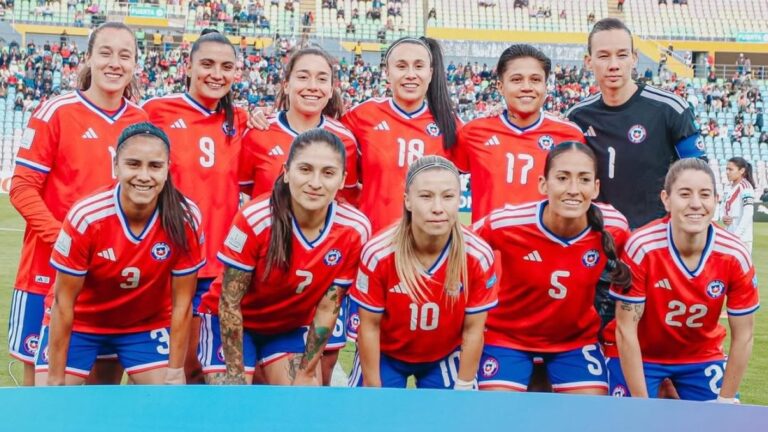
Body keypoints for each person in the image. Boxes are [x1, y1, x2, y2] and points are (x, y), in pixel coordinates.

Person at [8, 22, 147, 386]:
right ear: (88, 59)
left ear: (135, 64)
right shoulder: (57, 111)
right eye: (105, 52)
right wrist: (67, 244)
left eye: (125, 55)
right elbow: (22, 187)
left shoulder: (141, 121)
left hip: (112, 281)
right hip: (47, 273)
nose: (115, 63)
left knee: (101, 397)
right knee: (42, 398)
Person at [35, 123, 204, 386]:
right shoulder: (87, 217)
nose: (144, 176)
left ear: (168, 168)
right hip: (82, 322)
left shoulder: (186, 218)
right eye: (133, 164)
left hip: (143, 324)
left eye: (155, 166)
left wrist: (174, 371)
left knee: (167, 400)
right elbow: (63, 303)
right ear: (116, 166)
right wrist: (55, 381)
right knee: (53, 407)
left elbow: (182, 304)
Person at [197, 129, 371, 385]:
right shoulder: (256, 219)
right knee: (232, 405)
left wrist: (306, 372)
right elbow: (229, 303)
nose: (315, 182)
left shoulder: (354, 229)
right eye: (305, 169)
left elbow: (326, 308)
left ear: (343, 179)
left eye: (328, 173)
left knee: (301, 401)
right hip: (232, 321)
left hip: (289, 325)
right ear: (286, 172)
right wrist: (236, 381)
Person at [565, 18, 703, 327]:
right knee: (595, 350)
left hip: (656, 252)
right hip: (597, 253)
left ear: (634, 57)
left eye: (621, 54)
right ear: (589, 61)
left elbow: (699, 177)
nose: (613, 64)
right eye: (603, 56)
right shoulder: (576, 117)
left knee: (658, 355)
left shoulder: (669, 109)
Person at [239, 47, 361, 384]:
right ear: (286, 84)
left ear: (333, 87)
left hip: (320, 277)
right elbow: (245, 196)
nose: (312, 85)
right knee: (259, 378)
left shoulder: (346, 140)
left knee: (317, 370)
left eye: (322, 78)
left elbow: (346, 205)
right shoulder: (258, 133)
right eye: (303, 76)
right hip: (266, 276)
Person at [472, 142, 629, 394]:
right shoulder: (507, 222)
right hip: (507, 339)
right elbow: (460, 247)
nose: (573, 190)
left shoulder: (614, 226)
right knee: (497, 416)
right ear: (543, 184)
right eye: (562, 178)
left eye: (584, 179)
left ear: (596, 187)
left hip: (575, 343)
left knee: (590, 419)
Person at [142, 29, 249, 384]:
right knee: (172, 371)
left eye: (226, 66)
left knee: (213, 372)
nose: (216, 73)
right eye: (207, 64)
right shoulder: (156, 112)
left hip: (223, 268)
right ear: (188, 66)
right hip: (170, 263)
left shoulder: (243, 121)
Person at [608, 158, 758, 402]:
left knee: (722, 425)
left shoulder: (735, 254)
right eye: (685, 194)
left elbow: (744, 336)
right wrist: (640, 404)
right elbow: (626, 329)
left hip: (701, 357)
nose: (696, 204)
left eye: (705, 194)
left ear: (716, 201)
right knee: (630, 424)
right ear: (666, 199)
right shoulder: (642, 247)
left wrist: (725, 400)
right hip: (643, 355)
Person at [348, 156, 498, 389]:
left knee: (454, 422)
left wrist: (464, 385)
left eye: (448, 196)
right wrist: (372, 389)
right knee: (369, 420)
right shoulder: (379, 253)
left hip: (445, 354)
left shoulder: (477, 255)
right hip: (386, 354)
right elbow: (369, 326)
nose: (438, 208)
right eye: (426, 196)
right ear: (408, 201)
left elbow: (473, 328)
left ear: (459, 199)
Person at [341, 36, 460, 233]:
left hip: (428, 245)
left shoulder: (450, 124)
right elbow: (317, 132)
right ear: (387, 73)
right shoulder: (363, 115)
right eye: (401, 66)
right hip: (374, 242)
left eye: (419, 66)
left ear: (430, 73)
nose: (411, 74)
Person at [453, 44, 584, 222]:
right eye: (516, 80)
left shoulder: (570, 135)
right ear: (500, 86)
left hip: (544, 246)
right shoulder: (474, 132)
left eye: (535, 80)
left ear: (546, 86)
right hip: (489, 246)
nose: (526, 87)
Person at [720, 157, 755, 253]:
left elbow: (748, 213)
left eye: (730, 169)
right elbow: (722, 207)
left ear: (742, 171)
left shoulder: (746, 187)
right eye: (726, 169)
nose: (727, 172)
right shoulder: (727, 187)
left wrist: (737, 235)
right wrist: (723, 217)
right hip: (729, 234)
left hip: (742, 238)